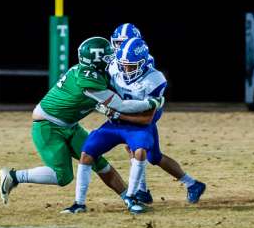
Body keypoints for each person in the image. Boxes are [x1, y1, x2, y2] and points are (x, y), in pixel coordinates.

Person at [0, 37, 164, 208]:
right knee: (63, 177)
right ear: (97, 61)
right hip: (47, 125)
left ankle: (128, 199)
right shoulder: (89, 79)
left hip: (69, 125)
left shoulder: (95, 73)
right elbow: (120, 105)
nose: (111, 59)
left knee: (98, 161)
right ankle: (14, 177)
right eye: (107, 57)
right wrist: (151, 103)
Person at [67, 38, 205, 214]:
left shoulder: (155, 79)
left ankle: (133, 196)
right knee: (87, 152)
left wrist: (117, 113)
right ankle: (79, 203)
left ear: (143, 63)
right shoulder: (114, 66)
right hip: (115, 123)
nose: (125, 69)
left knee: (142, 152)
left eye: (131, 66)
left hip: (137, 124)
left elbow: (146, 119)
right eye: (123, 64)